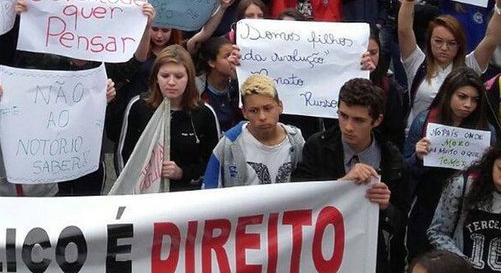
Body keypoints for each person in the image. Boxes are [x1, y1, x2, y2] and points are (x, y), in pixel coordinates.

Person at [292, 78, 406, 272]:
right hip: (322, 250)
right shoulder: (317, 146)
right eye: (343, 115)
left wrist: (386, 206)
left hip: (370, 254)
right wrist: (341, 185)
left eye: (358, 120)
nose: (348, 126)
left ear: (376, 120)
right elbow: (298, 197)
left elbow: (402, 220)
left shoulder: (392, 157)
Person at [405, 68, 495, 260]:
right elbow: (404, 170)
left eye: (475, 99)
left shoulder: (487, 131)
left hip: (467, 211)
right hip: (427, 204)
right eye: (462, 97)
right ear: (448, 93)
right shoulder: (423, 121)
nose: (468, 105)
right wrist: (417, 157)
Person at [399, 0, 501, 127]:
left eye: (451, 43)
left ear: (460, 44)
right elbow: (404, 30)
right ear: (429, 41)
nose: (444, 48)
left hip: (459, 144)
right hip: (417, 140)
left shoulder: (469, 66)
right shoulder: (417, 63)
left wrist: (499, 8)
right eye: (438, 41)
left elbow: (491, 39)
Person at [115, 45, 221, 192]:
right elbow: (123, 155)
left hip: (188, 195)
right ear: (156, 78)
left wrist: (183, 172)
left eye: (179, 76)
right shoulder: (138, 107)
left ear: (189, 78)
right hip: (143, 195)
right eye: (165, 76)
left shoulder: (204, 113)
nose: (171, 82)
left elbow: (215, 161)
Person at [202, 74, 305, 188]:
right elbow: (209, 189)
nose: (262, 117)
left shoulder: (295, 140)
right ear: (244, 112)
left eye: (267, 108)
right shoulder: (229, 143)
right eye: (254, 110)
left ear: (279, 106)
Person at [428, 145, 501, 271]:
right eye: (500, 169)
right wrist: (462, 263)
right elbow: (438, 232)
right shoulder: (463, 185)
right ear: (491, 164)